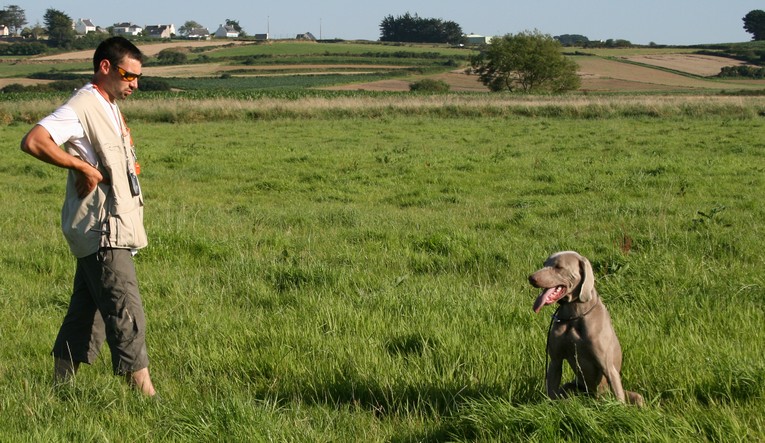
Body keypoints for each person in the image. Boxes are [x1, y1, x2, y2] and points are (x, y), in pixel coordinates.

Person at [20, 36, 156, 396]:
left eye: (138, 77)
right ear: (106, 67)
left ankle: (59, 391)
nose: (135, 84)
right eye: (129, 76)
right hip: (102, 230)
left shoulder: (108, 103)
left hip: (108, 227)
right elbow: (34, 140)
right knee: (125, 311)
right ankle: (147, 398)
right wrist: (83, 167)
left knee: (86, 315)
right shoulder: (81, 104)